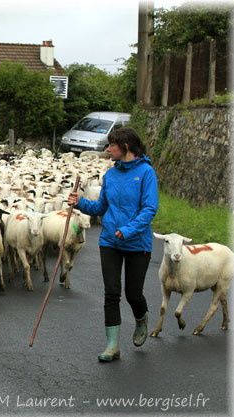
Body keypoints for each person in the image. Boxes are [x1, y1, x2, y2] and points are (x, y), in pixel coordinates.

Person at [67, 127, 158, 363]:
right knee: (111, 293)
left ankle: (141, 318)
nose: (108, 150)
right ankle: (112, 345)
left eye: (112, 146)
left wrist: (127, 230)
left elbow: (149, 209)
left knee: (133, 293)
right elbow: (100, 208)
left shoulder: (146, 173)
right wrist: (80, 203)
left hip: (137, 243)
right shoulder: (110, 176)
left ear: (125, 147)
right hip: (109, 241)